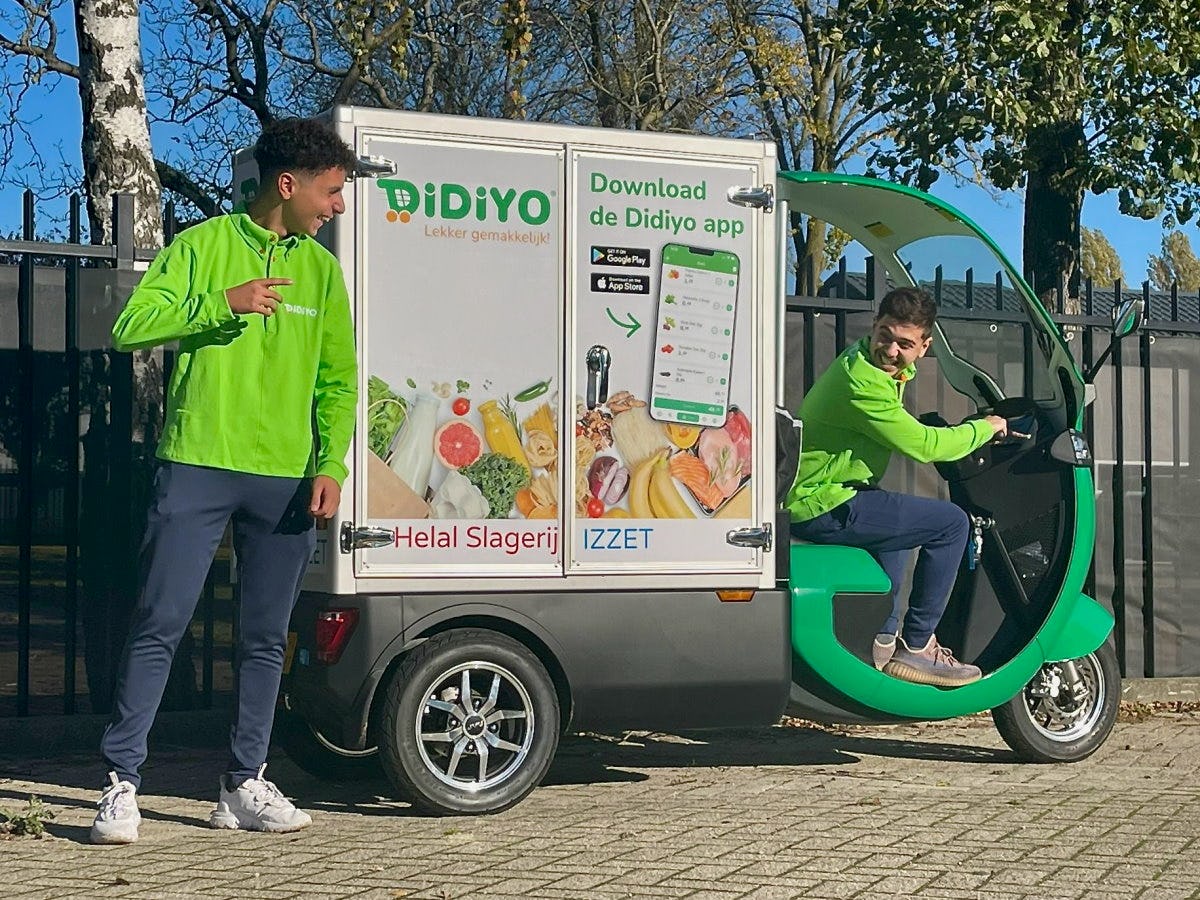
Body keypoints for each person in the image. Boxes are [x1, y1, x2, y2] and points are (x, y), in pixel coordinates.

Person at [90, 118, 358, 844]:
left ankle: (244, 784)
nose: (338, 206)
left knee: (266, 638)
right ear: (288, 184)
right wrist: (222, 304)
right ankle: (121, 785)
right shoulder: (201, 246)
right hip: (198, 462)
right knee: (159, 622)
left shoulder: (323, 273)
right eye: (331, 192)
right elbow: (131, 326)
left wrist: (330, 464)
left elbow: (338, 381)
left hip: (285, 480)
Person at [784, 287, 1008, 687]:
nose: (890, 350)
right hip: (821, 501)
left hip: (836, 492)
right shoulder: (862, 382)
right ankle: (919, 647)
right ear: (874, 326)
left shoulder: (878, 366)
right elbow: (924, 446)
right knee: (952, 524)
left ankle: (882, 645)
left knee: (902, 530)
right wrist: (983, 428)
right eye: (885, 335)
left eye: (904, 343)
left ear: (925, 346)